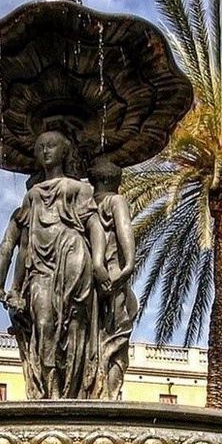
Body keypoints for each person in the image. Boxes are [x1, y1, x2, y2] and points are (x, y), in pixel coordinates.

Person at [0, 128, 108, 399]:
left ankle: (76, 389)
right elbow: (17, 245)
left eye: (52, 145)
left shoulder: (78, 189)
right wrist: (9, 285)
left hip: (73, 256)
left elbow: (94, 226)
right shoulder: (32, 196)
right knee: (43, 322)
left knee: (75, 325)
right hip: (41, 267)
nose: (45, 151)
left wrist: (99, 263)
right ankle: (52, 390)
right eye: (41, 146)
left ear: (64, 151)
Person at [87, 157, 138, 398]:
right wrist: (128, 265)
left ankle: (89, 388)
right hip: (113, 275)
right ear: (116, 180)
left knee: (91, 337)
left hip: (88, 279)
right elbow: (124, 229)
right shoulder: (116, 201)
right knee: (117, 336)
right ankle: (108, 395)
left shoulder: (82, 203)